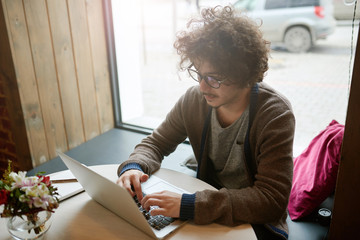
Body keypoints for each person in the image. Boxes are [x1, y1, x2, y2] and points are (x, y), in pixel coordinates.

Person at [116, 5, 295, 240]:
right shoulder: (194, 100)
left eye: (214, 78)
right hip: (205, 199)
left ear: (244, 74)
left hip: (254, 220)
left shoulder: (275, 114)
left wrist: (191, 205)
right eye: (199, 74)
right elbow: (156, 143)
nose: (202, 86)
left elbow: (271, 200)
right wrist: (134, 167)